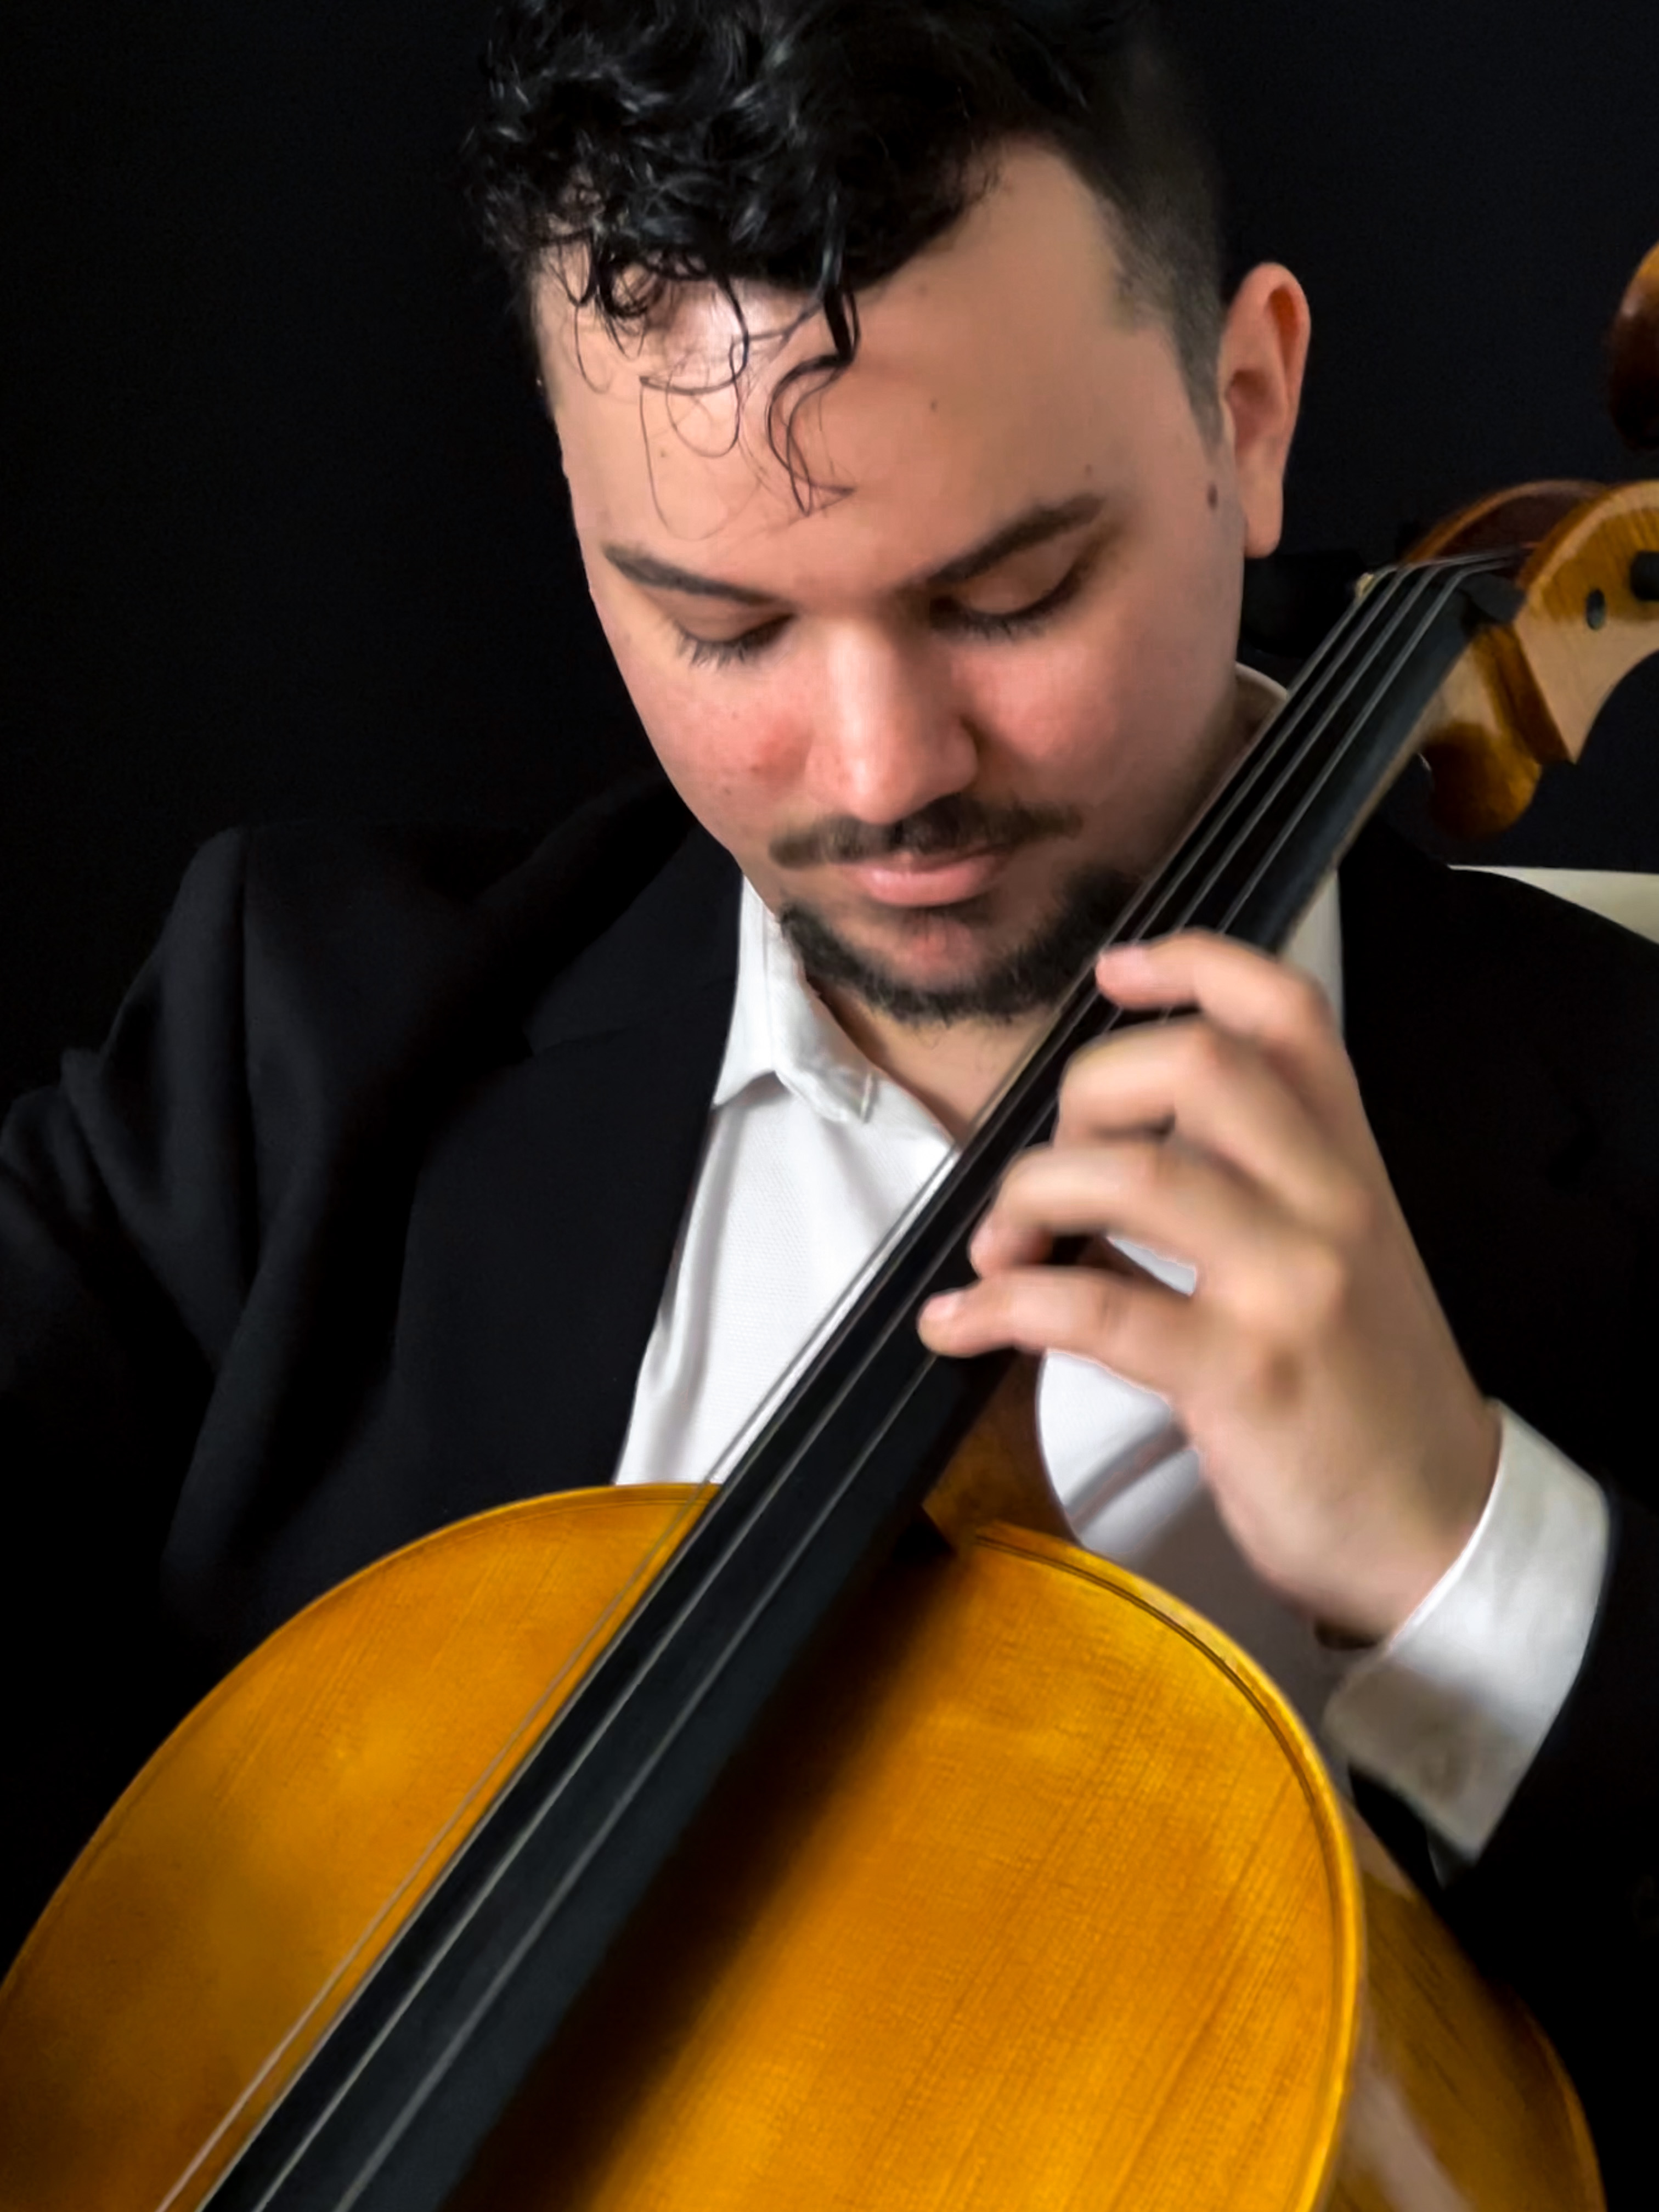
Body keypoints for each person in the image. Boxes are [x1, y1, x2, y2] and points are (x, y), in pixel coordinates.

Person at [2, 0, 1656, 2194]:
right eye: (723, 626)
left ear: (1245, 414)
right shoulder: (282, 1054)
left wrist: (1469, 1555)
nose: (882, 775)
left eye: (1012, 592)